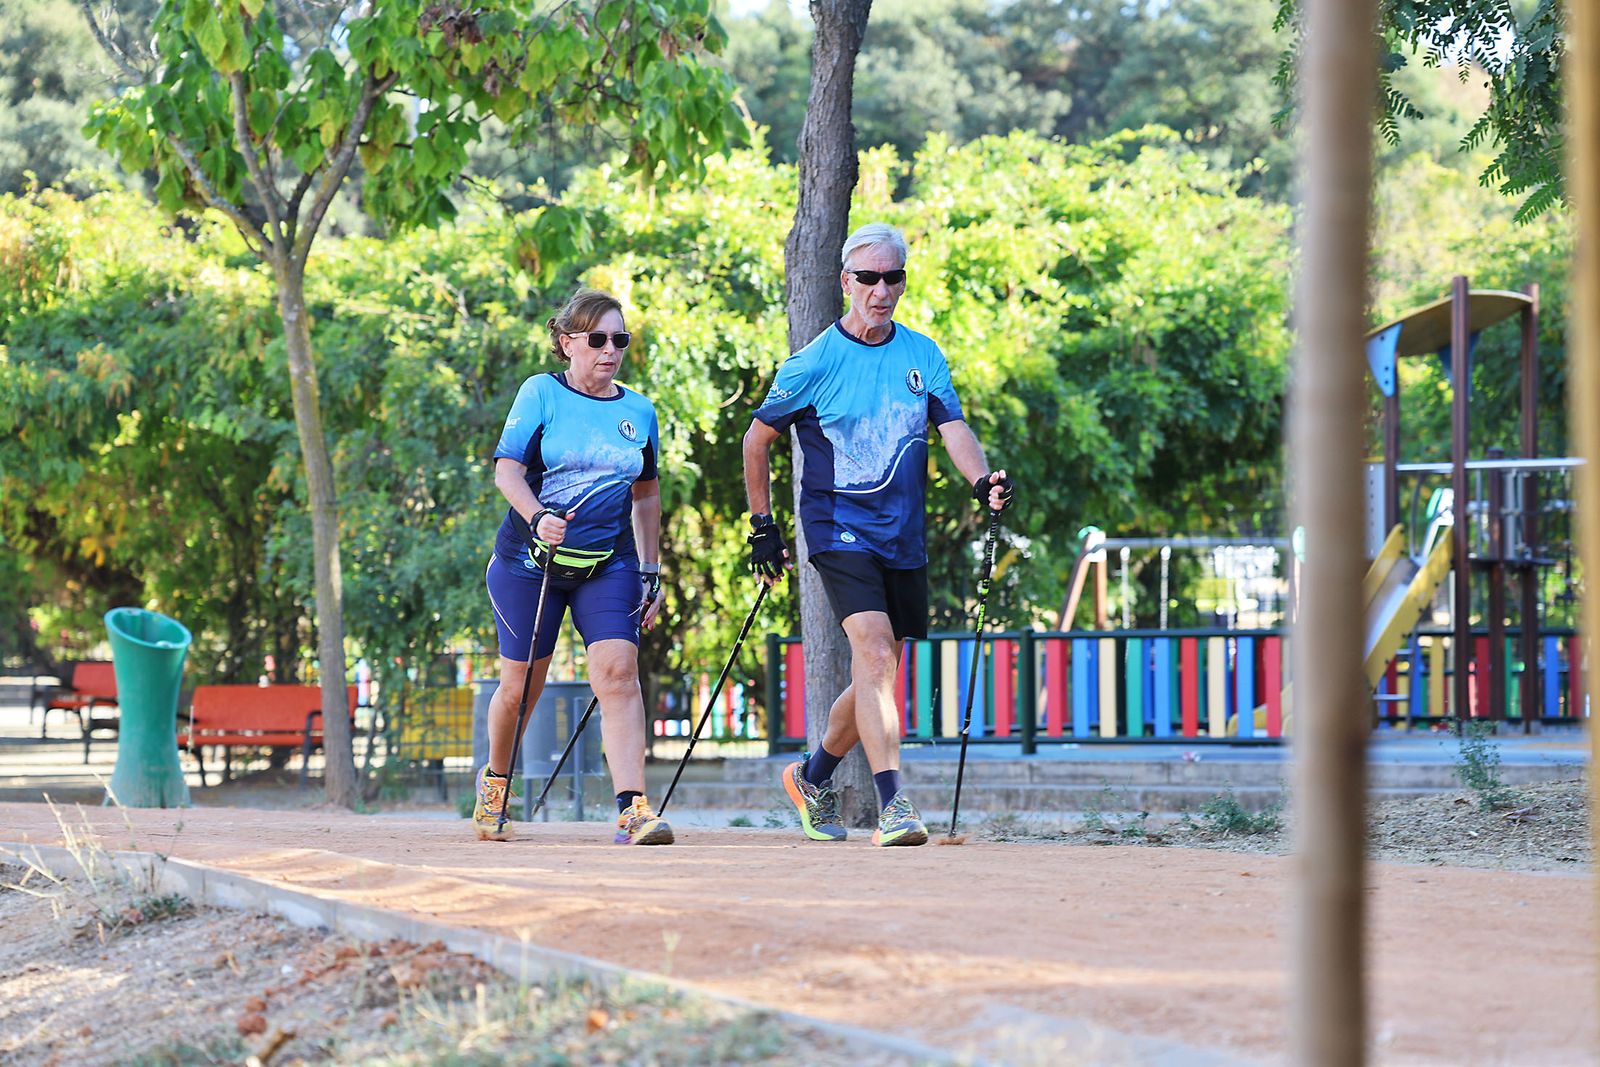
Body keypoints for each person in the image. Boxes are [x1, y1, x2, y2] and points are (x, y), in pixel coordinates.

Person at [742, 222, 1013, 847]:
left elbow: (954, 428)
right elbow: (757, 439)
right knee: (876, 653)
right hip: (837, 526)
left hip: (901, 533)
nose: (881, 289)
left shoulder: (923, 354)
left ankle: (813, 778)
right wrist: (764, 526)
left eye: (893, 277)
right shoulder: (814, 362)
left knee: (878, 670)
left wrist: (981, 482)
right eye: (868, 277)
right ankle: (894, 805)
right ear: (845, 282)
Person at [476, 287, 671, 845]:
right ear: (568, 343)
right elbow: (506, 471)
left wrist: (650, 570)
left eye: (620, 340)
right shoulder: (541, 393)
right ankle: (494, 786)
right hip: (529, 561)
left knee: (618, 676)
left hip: (608, 563)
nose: (611, 350)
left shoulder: (639, 411)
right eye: (598, 339)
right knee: (521, 687)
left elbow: (647, 495)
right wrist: (538, 517)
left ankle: (633, 809)